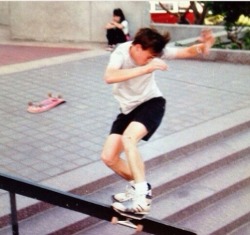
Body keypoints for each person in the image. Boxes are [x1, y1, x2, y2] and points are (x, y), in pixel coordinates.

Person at [101, 27, 215, 216]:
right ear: (137, 47)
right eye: (147, 57)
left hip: (151, 103)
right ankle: (138, 185)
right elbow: (109, 76)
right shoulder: (120, 52)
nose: (150, 60)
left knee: (130, 139)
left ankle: (142, 196)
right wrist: (145, 68)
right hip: (127, 110)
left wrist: (205, 45)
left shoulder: (153, 52)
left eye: (153, 58)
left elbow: (186, 51)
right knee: (108, 157)